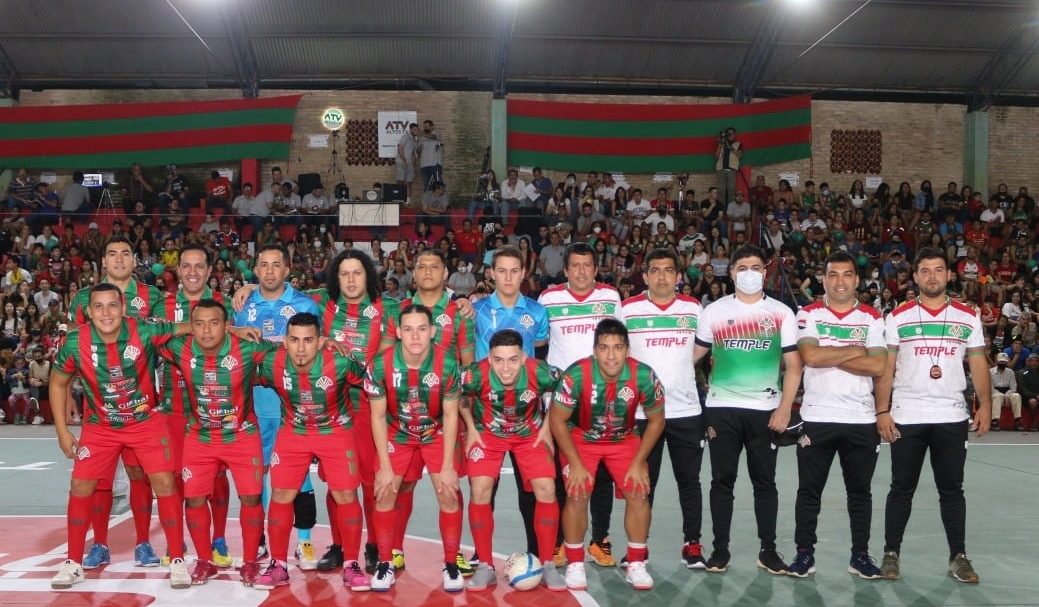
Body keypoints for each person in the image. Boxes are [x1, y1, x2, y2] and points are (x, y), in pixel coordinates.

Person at [47, 284, 192, 589]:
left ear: (123, 308)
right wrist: (62, 431)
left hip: (144, 421)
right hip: (101, 426)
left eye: (112, 305)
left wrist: (235, 329)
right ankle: (73, 562)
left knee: (164, 482)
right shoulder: (74, 342)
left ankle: (177, 559)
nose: (106, 313)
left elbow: (193, 325)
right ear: (88, 312)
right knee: (80, 485)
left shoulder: (145, 330)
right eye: (98, 307)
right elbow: (58, 383)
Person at [875, 247, 991, 583]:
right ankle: (891, 554)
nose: (931, 276)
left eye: (938, 270)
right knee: (901, 488)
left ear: (949, 275)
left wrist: (985, 404)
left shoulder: (968, 316)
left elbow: (978, 362)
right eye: (924, 270)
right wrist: (882, 410)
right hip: (907, 414)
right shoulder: (898, 316)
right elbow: (887, 368)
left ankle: (958, 557)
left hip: (950, 414)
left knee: (952, 490)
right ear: (914, 276)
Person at [693, 244, 802, 574]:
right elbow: (692, 357)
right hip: (722, 408)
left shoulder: (781, 313)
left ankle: (768, 551)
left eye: (756, 267)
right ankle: (720, 550)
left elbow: (794, 366)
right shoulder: (713, 312)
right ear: (731, 273)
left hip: (765, 410)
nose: (749, 274)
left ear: (765, 272)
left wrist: (785, 408)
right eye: (742, 268)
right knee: (721, 482)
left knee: (765, 483)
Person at [158, 300, 275, 586]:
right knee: (194, 499)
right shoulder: (180, 348)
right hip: (200, 437)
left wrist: (324, 342)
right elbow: (147, 335)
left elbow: (288, 351)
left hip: (241, 435)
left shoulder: (247, 349)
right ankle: (204, 562)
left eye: (214, 323)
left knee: (250, 498)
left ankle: (250, 562)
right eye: (199, 324)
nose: (206, 331)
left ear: (226, 326)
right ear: (191, 327)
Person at [784, 251, 887, 579]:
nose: (839, 281)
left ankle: (860, 555)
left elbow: (879, 365)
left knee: (860, 493)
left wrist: (829, 353)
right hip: (818, 417)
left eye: (846, 274)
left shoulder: (872, 317)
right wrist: (855, 350)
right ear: (824, 280)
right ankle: (804, 554)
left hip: (861, 419)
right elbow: (810, 357)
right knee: (809, 491)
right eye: (832, 274)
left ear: (856, 280)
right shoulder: (809, 313)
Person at [252, 313, 371, 592]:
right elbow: (236, 363)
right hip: (293, 432)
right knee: (281, 495)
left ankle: (352, 564)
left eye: (308, 340)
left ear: (320, 342)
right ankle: (278, 565)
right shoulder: (271, 363)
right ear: (285, 342)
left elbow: (374, 382)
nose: (301, 348)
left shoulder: (340, 363)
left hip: (335, 431)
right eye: (294, 340)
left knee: (346, 496)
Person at [68, 236, 167, 570]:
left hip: (140, 404)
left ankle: (143, 543)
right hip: (100, 405)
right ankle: (99, 544)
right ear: (103, 261)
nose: (119, 259)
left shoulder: (152, 296)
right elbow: (72, 347)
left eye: (126, 253)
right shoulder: (84, 297)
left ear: (134, 260)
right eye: (112, 254)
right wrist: (69, 398)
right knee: (100, 478)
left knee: (140, 474)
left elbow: (164, 340)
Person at [550, 318, 665, 591]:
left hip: (624, 438)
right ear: (594, 351)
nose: (611, 356)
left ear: (628, 350)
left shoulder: (644, 376)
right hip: (582, 436)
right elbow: (556, 420)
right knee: (577, 492)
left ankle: (636, 563)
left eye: (618, 348)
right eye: (604, 348)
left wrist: (639, 462)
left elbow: (657, 421)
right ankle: (575, 563)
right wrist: (576, 464)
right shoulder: (576, 375)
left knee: (638, 491)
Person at [364, 304, 465, 592]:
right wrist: (384, 466)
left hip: (436, 431)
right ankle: (385, 563)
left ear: (432, 331)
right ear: (398, 332)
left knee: (449, 493)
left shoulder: (448, 363)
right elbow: (377, 416)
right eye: (408, 330)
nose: (415, 336)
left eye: (421, 329)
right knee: (385, 491)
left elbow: (451, 414)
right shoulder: (380, 365)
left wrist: (448, 466)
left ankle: (451, 564)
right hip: (397, 432)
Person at [234, 244, 322, 570]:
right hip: (253, 406)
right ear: (256, 270)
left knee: (298, 475)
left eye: (276, 265)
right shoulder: (242, 305)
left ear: (287, 269)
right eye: (264, 265)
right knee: (257, 477)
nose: (270, 271)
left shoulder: (305, 305)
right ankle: (260, 540)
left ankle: (305, 542)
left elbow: (317, 351)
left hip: (292, 407)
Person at [459, 329, 565, 591]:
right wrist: (470, 427)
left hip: (529, 434)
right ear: (489, 359)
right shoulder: (475, 374)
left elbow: (566, 389)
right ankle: (485, 566)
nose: (505, 368)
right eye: (498, 360)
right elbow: (457, 394)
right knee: (480, 490)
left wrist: (548, 426)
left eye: (512, 360)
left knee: (547, 489)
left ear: (524, 357)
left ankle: (548, 565)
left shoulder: (541, 372)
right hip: (488, 434)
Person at [539, 241, 623, 567]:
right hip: (561, 402)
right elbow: (540, 346)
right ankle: (561, 541)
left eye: (587, 265)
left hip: (603, 400)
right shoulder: (549, 299)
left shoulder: (610, 297)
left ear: (596, 269)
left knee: (601, 475)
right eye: (575, 265)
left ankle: (600, 540)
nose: (581, 271)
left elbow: (619, 346)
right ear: (565, 270)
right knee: (562, 473)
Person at [622, 248, 707, 568]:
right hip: (643, 414)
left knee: (690, 481)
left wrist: (681, 366)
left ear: (678, 276)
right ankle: (638, 547)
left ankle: (692, 543)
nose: (662, 277)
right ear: (644, 276)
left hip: (686, 410)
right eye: (655, 271)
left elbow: (704, 346)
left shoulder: (693, 308)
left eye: (668, 271)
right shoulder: (628, 309)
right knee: (644, 483)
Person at [157, 245, 237, 568]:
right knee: (177, 476)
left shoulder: (225, 303)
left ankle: (219, 538)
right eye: (186, 266)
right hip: (174, 406)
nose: (192, 272)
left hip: (215, 406)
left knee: (217, 476)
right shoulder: (162, 305)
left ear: (209, 271)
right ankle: (176, 541)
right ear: (178, 271)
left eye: (199, 266)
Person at [991, 352, 1023, 431]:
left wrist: (1007, 395)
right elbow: (990, 387)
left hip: (1008, 392)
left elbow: (1013, 386)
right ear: (997, 361)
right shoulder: (990, 372)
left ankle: (1018, 420)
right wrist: (1001, 394)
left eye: (1004, 362)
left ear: (1007, 362)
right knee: (998, 396)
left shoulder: (1010, 372)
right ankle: (995, 421)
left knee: (1016, 396)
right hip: (995, 393)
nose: (1003, 363)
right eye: (1001, 361)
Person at [714, 127, 742, 205]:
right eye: (729, 134)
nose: (731, 135)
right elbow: (716, 157)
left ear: (735, 134)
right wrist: (719, 145)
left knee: (731, 190)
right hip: (721, 169)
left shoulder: (738, 144)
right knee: (721, 190)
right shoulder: (722, 143)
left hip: (731, 170)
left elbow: (739, 155)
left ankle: (730, 209)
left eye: (732, 133)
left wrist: (730, 147)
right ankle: (721, 209)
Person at [396, 123, 419, 201]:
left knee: (409, 182)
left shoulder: (415, 140)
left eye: (417, 130)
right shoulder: (405, 137)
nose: (416, 131)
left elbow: (413, 154)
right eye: (414, 130)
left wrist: (414, 165)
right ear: (411, 130)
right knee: (400, 182)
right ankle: (398, 200)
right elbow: (400, 148)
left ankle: (408, 201)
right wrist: (404, 161)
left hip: (410, 164)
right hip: (401, 162)